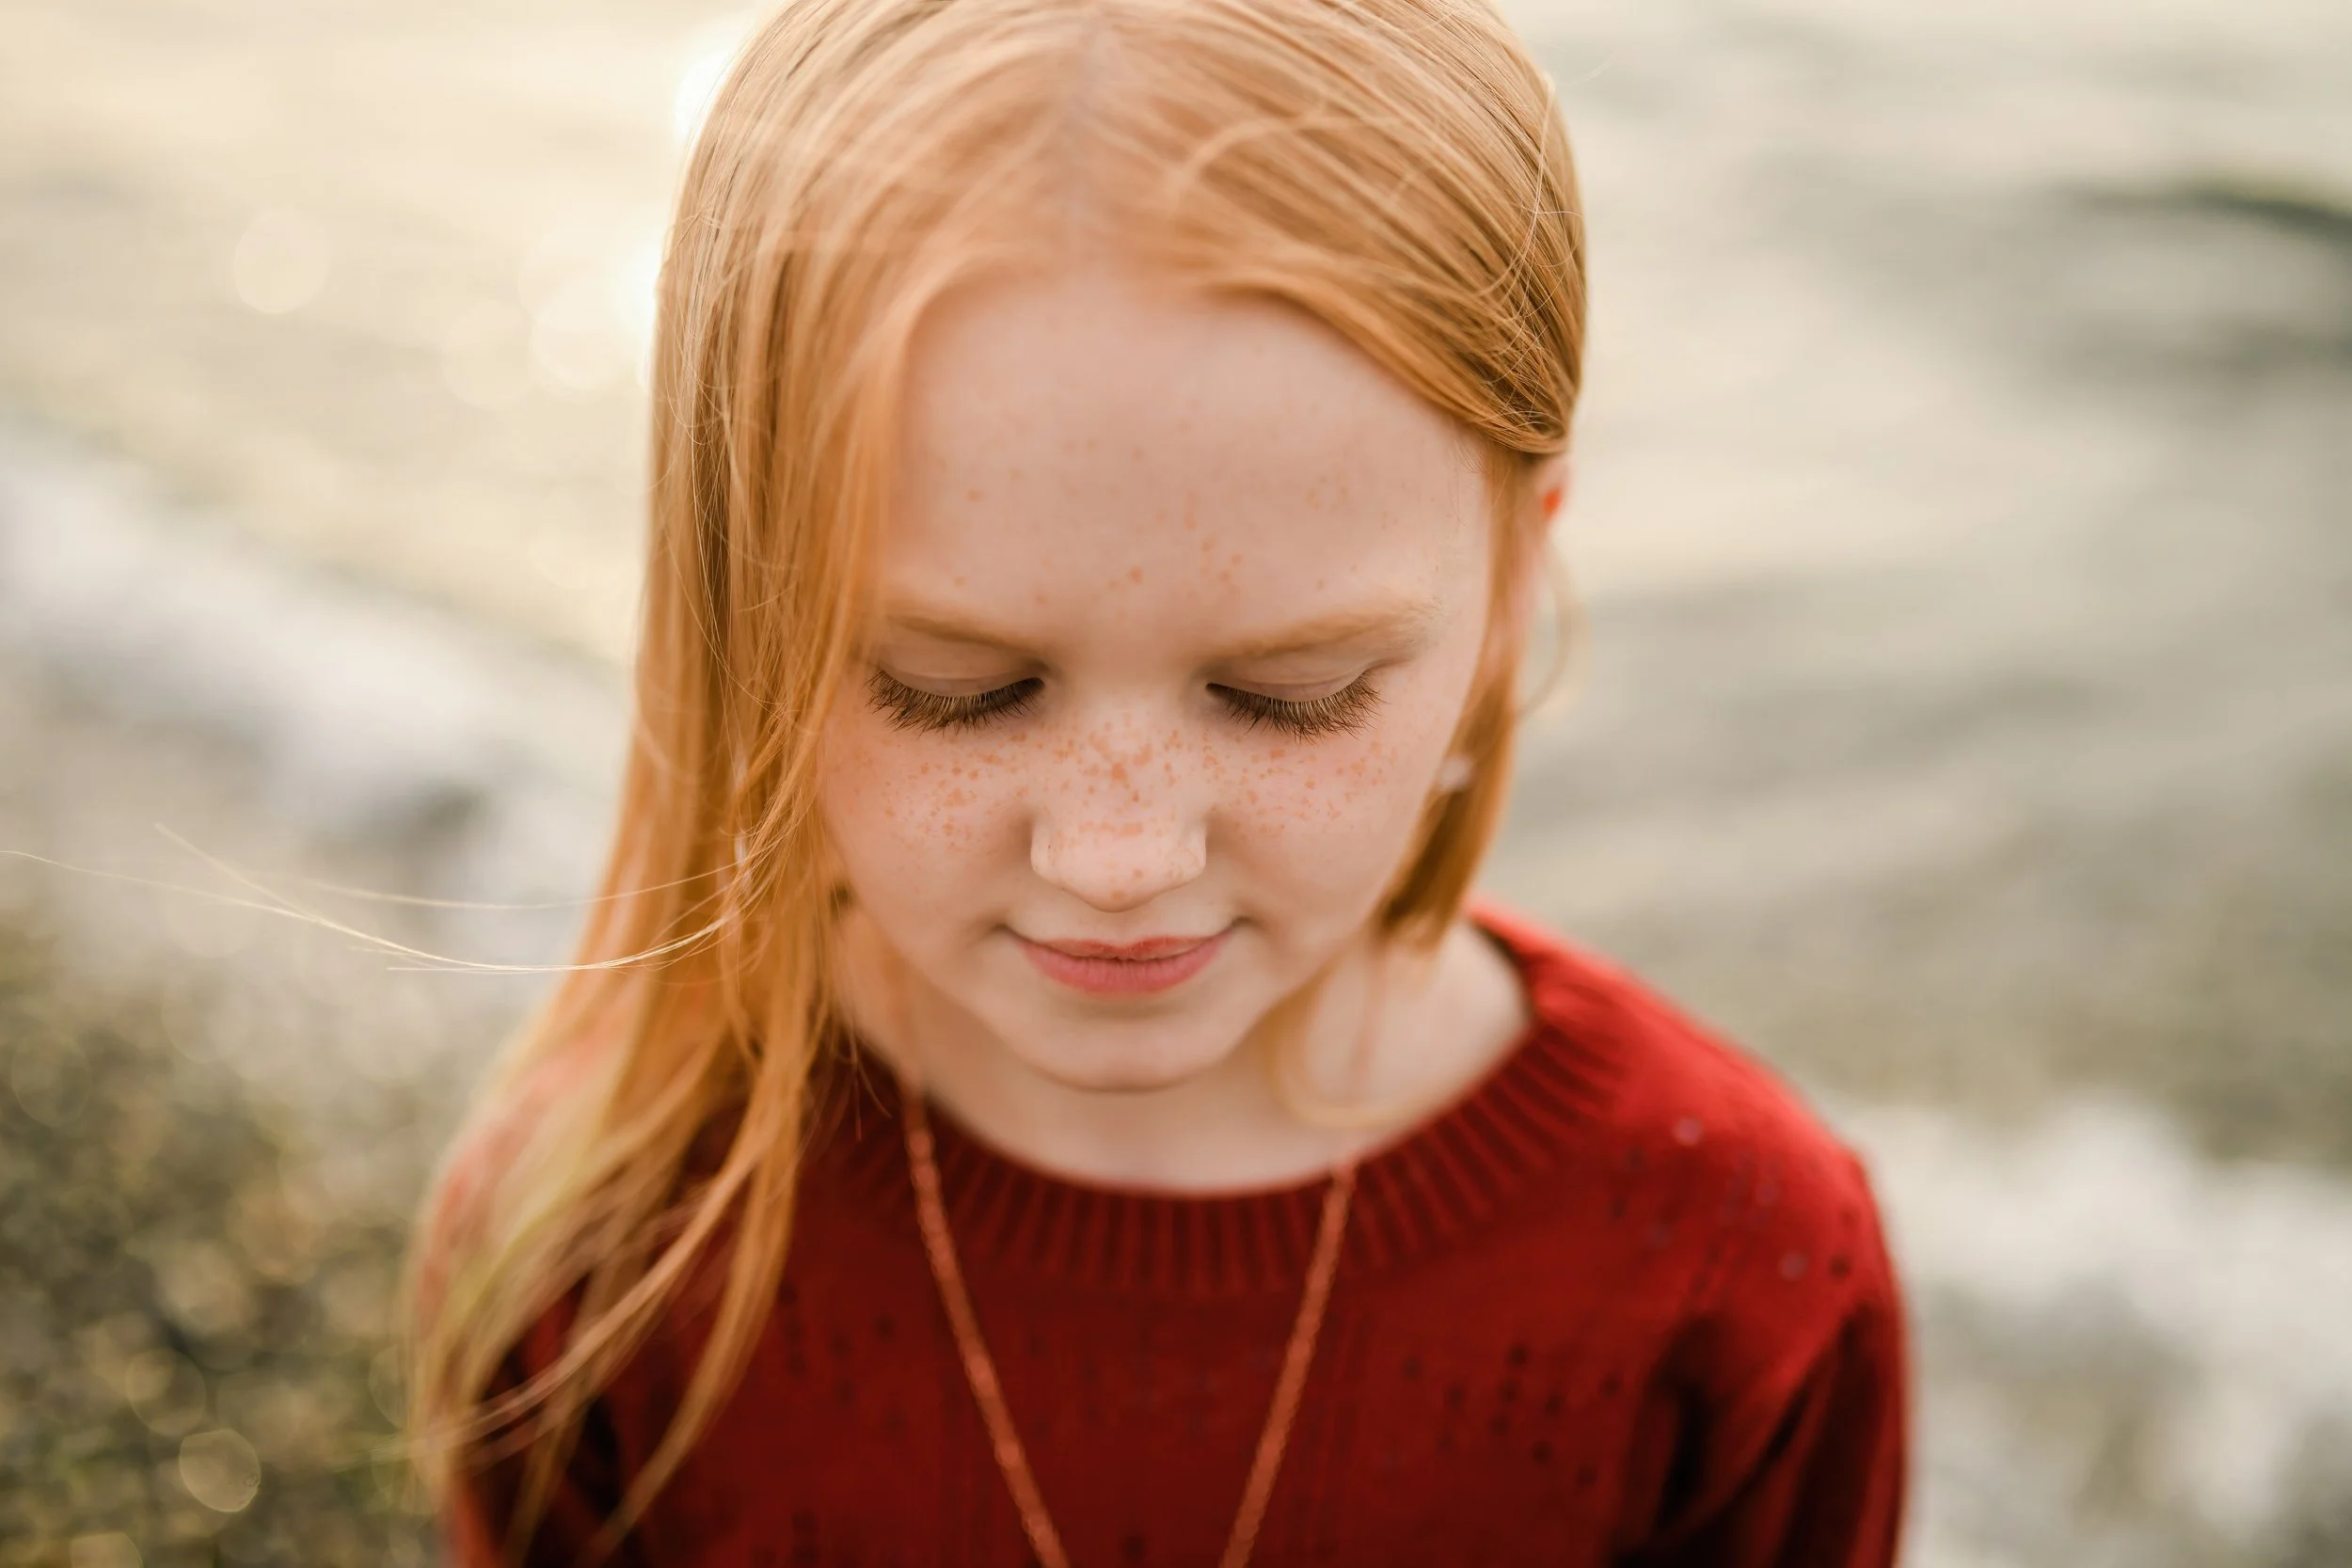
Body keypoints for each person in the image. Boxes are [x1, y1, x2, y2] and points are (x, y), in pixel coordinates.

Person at [405, 0, 1910, 1560]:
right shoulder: (612, 1252)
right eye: (957, 688)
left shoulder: (1739, 1266)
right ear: (739, 607)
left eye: (1290, 695)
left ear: (1513, 592)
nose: (1119, 851)